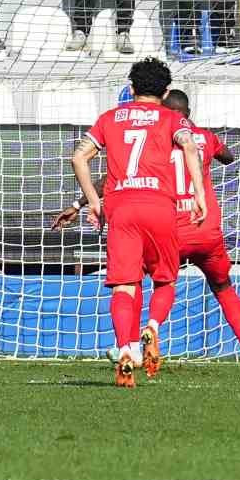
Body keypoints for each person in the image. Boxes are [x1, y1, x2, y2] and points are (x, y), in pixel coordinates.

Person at [55, 88, 240, 374]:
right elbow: (228, 157)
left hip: (171, 228)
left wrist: (81, 203)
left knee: (133, 279)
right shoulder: (203, 136)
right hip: (206, 230)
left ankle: (129, 344)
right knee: (223, 287)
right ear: (188, 113)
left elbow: (112, 175)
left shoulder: (156, 131)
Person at [70, 57, 205, 386]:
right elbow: (189, 146)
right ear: (166, 91)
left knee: (124, 285)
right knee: (165, 280)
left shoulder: (109, 118)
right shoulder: (172, 117)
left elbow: (78, 157)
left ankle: (125, 350)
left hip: (121, 206)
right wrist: (199, 193)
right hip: (159, 205)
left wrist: (92, 201)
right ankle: (154, 327)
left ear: (131, 89)